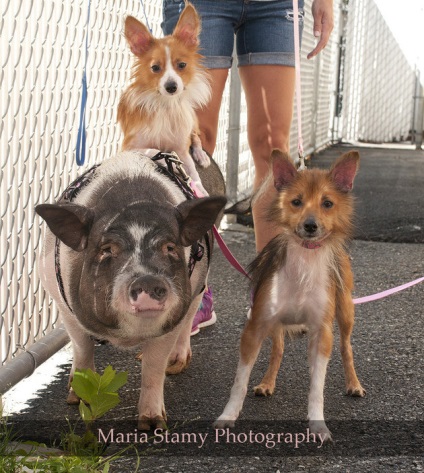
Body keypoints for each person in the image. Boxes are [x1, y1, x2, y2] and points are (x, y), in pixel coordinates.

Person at [162, 0, 334, 334]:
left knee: (273, 149)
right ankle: (190, 290)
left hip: (276, 6)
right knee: (196, 139)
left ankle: (268, 288)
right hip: (200, 5)